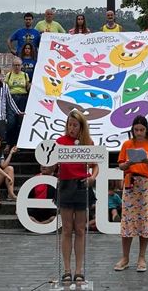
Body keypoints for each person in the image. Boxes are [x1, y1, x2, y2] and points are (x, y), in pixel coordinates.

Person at [114, 115, 148, 273]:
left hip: (146, 185)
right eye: (136, 130)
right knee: (128, 221)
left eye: (142, 129)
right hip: (131, 183)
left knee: (145, 221)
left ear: (146, 130)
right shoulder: (127, 144)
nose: (139, 132)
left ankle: (142, 257)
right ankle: (125, 257)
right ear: (132, 130)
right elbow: (121, 165)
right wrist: (128, 163)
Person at [55, 110, 99, 283]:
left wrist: (92, 178)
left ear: (81, 126)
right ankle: (67, 269)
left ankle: (79, 269)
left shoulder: (88, 143)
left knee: (80, 229)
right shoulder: (59, 142)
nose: (71, 128)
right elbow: (51, 163)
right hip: (66, 185)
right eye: (69, 124)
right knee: (66, 229)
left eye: (75, 125)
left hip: (81, 185)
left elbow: (95, 167)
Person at [4, 59, 29, 147]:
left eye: (18, 65)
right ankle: (8, 143)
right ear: (12, 66)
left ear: (21, 66)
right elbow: (5, 88)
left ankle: (18, 144)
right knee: (11, 122)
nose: (17, 67)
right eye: (15, 65)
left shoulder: (25, 75)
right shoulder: (9, 75)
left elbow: (28, 87)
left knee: (20, 122)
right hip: (11, 98)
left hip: (22, 98)